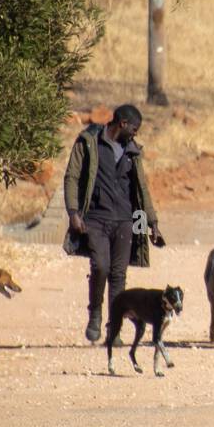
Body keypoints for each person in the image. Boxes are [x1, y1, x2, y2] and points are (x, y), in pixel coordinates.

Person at [63, 104, 166, 343]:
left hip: (125, 220)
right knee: (100, 266)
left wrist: (152, 223)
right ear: (122, 124)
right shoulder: (89, 142)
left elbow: (141, 189)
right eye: (135, 129)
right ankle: (95, 313)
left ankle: (113, 329)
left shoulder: (132, 150)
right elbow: (72, 176)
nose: (136, 134)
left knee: (119, 275)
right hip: (95, 218)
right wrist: (73, 212)